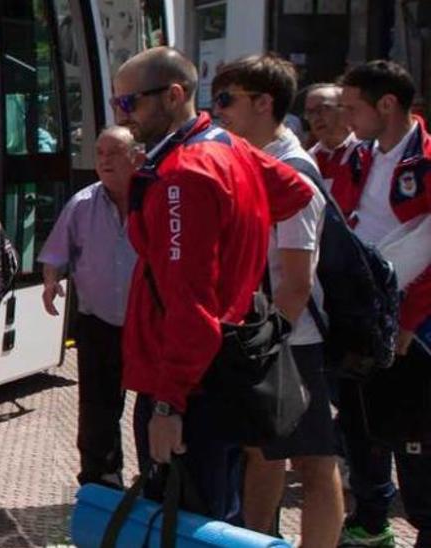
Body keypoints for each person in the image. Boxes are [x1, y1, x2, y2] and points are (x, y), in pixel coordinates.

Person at [112, 46, 313, 524]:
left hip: (192, 379)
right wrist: (241, 225)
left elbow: (189, 299)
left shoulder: (185, 173)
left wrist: (168, 404)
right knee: (219, 512)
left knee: (187, 520)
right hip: (223, 361)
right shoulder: (225, 145)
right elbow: (294, 191)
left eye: (129, 104)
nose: (123, 115)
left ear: (174, 95)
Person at [210, 54, 342, 546]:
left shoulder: (293, 171)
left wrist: (266, 346)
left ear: (264, 104)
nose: (217, 110)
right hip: (271, 333)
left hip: (292, 338)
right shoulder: (257, 158)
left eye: (227, 100)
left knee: (313, 460)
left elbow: (296, 279)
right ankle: (258, 540)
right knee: (263, 451)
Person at [331, 59, 431, 547]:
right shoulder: (358, 156)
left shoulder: (428, 161)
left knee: (415, 434)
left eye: (352, 107)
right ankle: (371, 524)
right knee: (360, 426)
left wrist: (410, 323)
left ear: (387, 105)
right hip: (361, 318)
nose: (344, 117)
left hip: (414, 325)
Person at [37, 126, 142, 489]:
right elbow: (55, 252)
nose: (104, 160)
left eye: (114, 152)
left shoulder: (155, 199)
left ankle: (155, 485)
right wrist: (51, 280)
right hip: (98, 324)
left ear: (136, 157)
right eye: (99, 153)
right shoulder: (82, 204)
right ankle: (101, 484)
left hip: (147, 326)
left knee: (150, 412)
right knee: (98, 412)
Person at [303, 83, 360, 188]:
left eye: (323, 109)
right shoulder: (309, 160)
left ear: (344, 109)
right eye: (310, 112)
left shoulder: (367, 152)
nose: (316, 118)